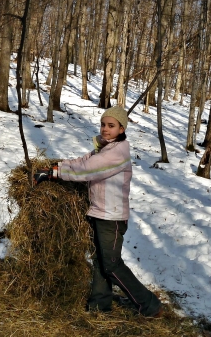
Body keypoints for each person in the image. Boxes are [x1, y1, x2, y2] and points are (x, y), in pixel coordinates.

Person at [35, 105, 163, 318]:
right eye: (103, 124)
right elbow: (84, 161)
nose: (105, 129)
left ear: (122, 129)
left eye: (111, 126)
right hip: (100, 212)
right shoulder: (105, 148)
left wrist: (55, 173)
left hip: (111, 217)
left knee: (111, 265)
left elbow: (88, 169)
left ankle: (150, 305)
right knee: (101, 261)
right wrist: (56, 165)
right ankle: (99, 305)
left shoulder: (117, 153)